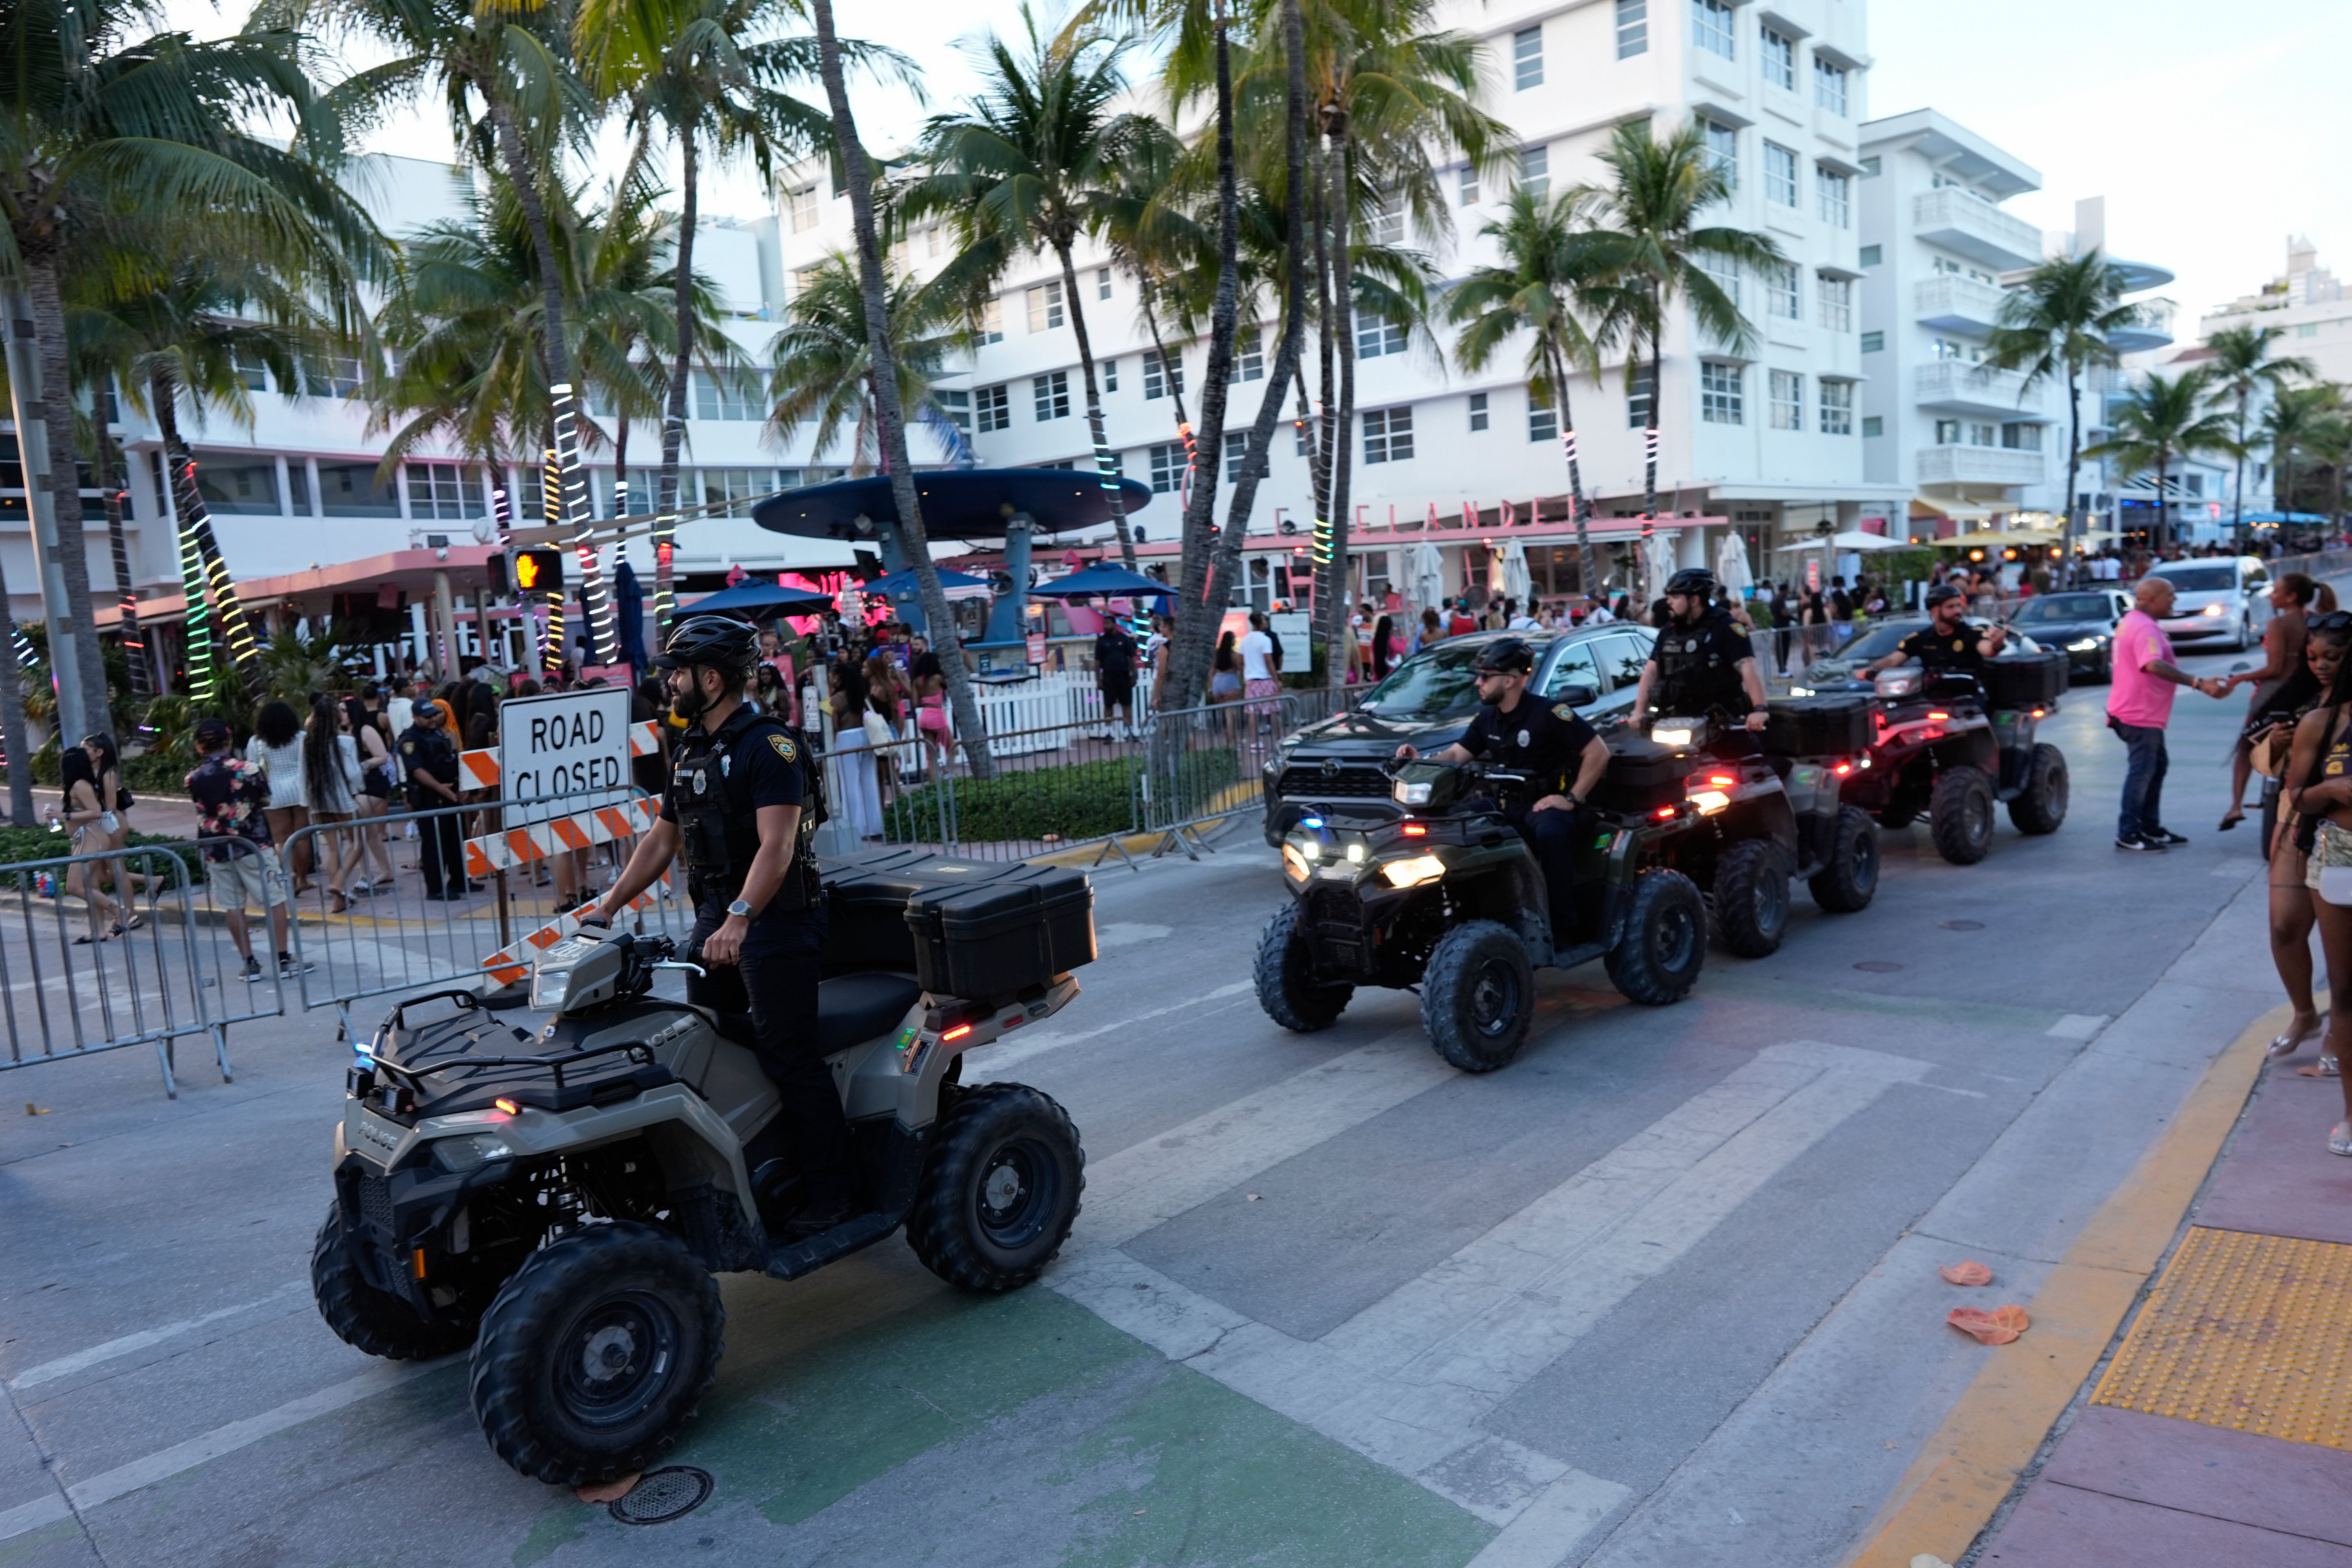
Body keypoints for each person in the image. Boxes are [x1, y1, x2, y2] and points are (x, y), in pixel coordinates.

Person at [587, 615, 862, 1239]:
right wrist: (609, 904)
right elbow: (664, 839)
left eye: (678, 674)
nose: (670, 685)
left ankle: (835, 1190)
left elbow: (779, 845)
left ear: (711, 679)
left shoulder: (770, 747)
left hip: (777, 922)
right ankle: (749, 1175)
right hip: (717, 921)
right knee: (710, 1050)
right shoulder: (692, 749)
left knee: (788, 1053)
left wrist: (742, 915)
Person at [1393, 638, 1609, 945]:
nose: (1478, 683)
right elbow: (1456, 756)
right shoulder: (1487, 719)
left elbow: (1598, 752)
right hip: (1505, 805)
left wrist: (1571, 799)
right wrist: (1421, 762)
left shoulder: (1550, 713)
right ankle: (1462, 914)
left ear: (1509, 680)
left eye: (1485, 676)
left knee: (1551, 834)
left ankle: (1563, 926)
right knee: (1456, 824)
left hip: (1543, 807)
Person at [2253, 612, 2351, 1066]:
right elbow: (2261, 765)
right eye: (2312, 657)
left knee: (2341, 949)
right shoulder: (2298, 699)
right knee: (2283, 927)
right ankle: (2304, 1014)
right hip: (2294, 823)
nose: (2321, 666)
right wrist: (2276, 742)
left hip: (2338, 831)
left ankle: (2340, 1030)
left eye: (2332, 656)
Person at [2283, 641, 2352, 1153]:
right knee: (2346, 991)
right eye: (2314, 655)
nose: (2322, 662)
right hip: (2339, 853)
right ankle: (2350, 1115)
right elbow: (2296, 795)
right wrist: (2331, 792)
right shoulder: (2321, 723)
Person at [2107, 574, 2230, 852]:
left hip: (2139, 712)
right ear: (2151, 600)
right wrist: (2197, 683)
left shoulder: (2135, 622)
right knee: (2143, 772)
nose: (2175, 599)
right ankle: (2128, 832)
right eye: (2170, 595)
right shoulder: (2144, 628)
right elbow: (2152, 664)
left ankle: (2149, 827)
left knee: (2155, 768)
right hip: (2138, 713)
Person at [186, 717, 305, 980]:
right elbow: (264, 798)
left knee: (233, 905)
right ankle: (284, 959)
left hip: (216, 849)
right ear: (229, 741)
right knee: (274, 900)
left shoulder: (194, 778)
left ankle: (249, 963)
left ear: (199, 746)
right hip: (253, 845)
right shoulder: (248, 769)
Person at [1630, 568, 1772, 745]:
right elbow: (1651, 671)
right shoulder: (1669, 631)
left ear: (1695, 600)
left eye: (1675, 598)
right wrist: (1639, 712)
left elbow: (1747, 666)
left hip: (1721, 723)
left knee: (1751, 762)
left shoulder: (1726, 627)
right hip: (1676, 724)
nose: (1669, 603)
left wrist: (1760, 709)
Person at [2219, 572, 2316, 831]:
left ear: (2291, 596)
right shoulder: (2313, 621)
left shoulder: (2279, 625)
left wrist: (2242, 677)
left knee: (2245, 746)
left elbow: (2275, 668)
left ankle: (2236, 805)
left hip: (2275, 693)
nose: (2272, 596)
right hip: (2309, 694)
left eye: (2276, 591)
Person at [1861, 583, 2007, 682]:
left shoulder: (1972, 634)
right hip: (1932, 699)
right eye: (1951, 607)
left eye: (1959, 606)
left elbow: (1988, 649)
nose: (1958, 611)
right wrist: (1872, 670)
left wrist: (1996, 644)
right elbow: (1894, 660)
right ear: (1935, 611)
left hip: (1968, 698)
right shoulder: (1920, 639)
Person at [399, 698, 470, 898]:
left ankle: (459, 881)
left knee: (455, 840)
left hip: (449, 794)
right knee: (434, 845)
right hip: (429, 798)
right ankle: (436, 889)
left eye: (434, 715)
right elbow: (417, 771)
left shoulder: (437, 733)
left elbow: (451, 759)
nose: (433, 720)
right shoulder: (410, 740)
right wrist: (440, 788)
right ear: (415, 718)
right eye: (427, 717)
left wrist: (460, 786)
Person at [301, 696, 364, 913]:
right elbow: (354, 774)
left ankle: (339, 901)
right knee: (357, 844)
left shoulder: (307, 743)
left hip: (318, 802)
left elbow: (303, 774)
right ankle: (338, 883)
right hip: (343, 799)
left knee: (334, 850)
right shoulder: (346, 742)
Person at [246, 699, 313, 894]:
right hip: (300, 790)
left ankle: (288, 873)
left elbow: (252, 769)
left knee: (281, 839)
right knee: (302, 837)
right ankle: (303, 878)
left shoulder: (256, 742)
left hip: (273, 792)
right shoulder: (302, 737)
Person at [346, 695, 397, 895]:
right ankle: (384, 871)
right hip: (355, 786)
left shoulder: (366, 731)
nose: (340, 715)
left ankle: (365, 874)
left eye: (343, 711)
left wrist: (365, 765)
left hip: (371, 784)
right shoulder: (344, 733)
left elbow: (383, 756)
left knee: (359, 830)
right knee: (367, 832)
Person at [1239, 611, 1281, 747]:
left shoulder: (1245, 640)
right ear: (1260, 623)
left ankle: (1254, 742)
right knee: (1273, 709)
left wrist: (1245, 674)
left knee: (1252, 712)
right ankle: (1278, 739)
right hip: (1265, 679)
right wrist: (1276, 680)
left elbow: (1240, 660)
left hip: (1251, 680)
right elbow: (1269, 661)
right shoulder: (1265, 640)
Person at [1094, 614, 1140, 738]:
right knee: (1108, 705)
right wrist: (1098, 679)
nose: (1106, 626)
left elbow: (1132, 659)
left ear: (1114, 624)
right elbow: (1097, 662)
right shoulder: (1101, 641)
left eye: (1108, 623)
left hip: (1124, 677)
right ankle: (1108, 732)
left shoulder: (1124, 639)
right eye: (1104, 624)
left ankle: (1128, 731)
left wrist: (1134, 676)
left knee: (1127, 704)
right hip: (1108, 678)